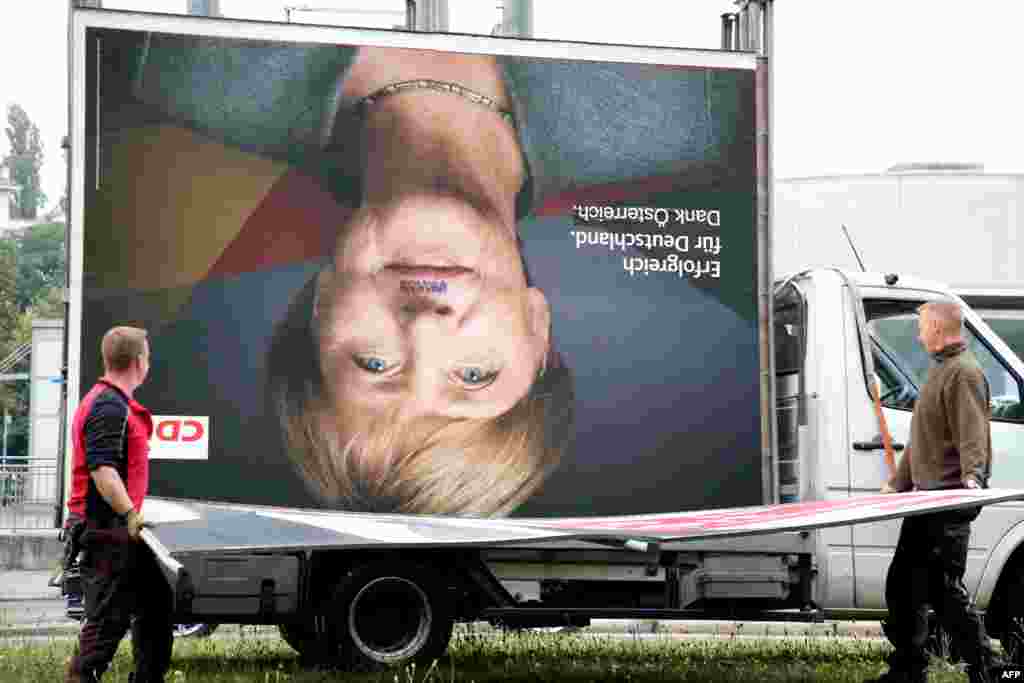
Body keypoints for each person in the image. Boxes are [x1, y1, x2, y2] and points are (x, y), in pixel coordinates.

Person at [870, 301, 1001, 683]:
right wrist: (898, 483)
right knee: (903, 586)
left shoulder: (964, 373)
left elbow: (972, 431)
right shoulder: (939, 371)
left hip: (948, 501)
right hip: (926, 499)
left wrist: (973, 478)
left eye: (922, 328)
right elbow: (919, 440)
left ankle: (990, 670)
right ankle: (909, 669)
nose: (919, 334)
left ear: (940, 329)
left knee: (942, 590)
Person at [65, 327, 174, 683]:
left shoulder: (115, 403)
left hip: (122, 531)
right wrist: (129, 513)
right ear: (138, 362)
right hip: (105, 529)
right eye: (148, 355)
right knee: (107, 621)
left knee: (157, 608)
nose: (149, 362)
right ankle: (82, 676)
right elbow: (103, 470)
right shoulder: (109, 407)